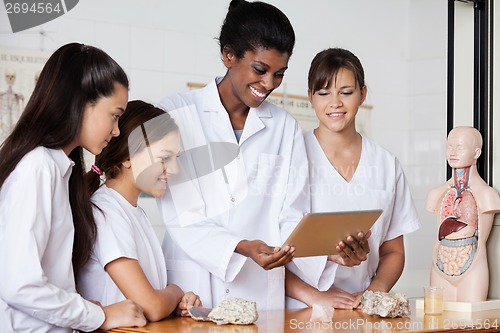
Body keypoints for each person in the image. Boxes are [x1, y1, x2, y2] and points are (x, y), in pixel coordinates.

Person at [156, 0, 347, 311]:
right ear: (228, 55)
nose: (269, 84)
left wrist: (328, 251)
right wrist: (242, 247)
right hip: (193, 286)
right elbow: (179, 214)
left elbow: (292, 213)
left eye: (279, 74)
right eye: (260, 69)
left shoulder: (284, 127)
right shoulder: (175, 112)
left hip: (259, 288)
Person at [0, 43, 147, 332]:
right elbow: (19, 284)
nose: (116, 131)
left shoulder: (60, 169)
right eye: (114, 115)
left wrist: (84, 308)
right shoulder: (37, 167)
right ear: (81, 104)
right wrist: (100, 316)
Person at [285, 48, 420, 309]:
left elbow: (393, 251)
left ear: (362, 94)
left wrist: (374, 292)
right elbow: (272, 251)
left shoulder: (386, 164)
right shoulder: (291, 157)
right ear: (310, 96)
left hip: (362, 309)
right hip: (299, 309)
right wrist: (316, 297)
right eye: (324, 93)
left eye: (346, 92)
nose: (335, 103)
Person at [78, 100, 202, 321]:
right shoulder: (107, 211)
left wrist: (176, 304)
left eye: (176, 158)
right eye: (164, 158)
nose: (174, 169)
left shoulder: (133, 211)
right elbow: (151, 306)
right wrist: (175, 291)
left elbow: (151, 303)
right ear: (127, 156)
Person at [426, 126, 500, 302]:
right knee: (439, 322)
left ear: (476, 153)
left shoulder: (486, 195)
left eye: (459, 147)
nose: (453, 151)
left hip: (473, 266)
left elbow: (480, 239)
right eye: (449, 146)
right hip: (440, 264)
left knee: (471, 325)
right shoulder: (437, 194)